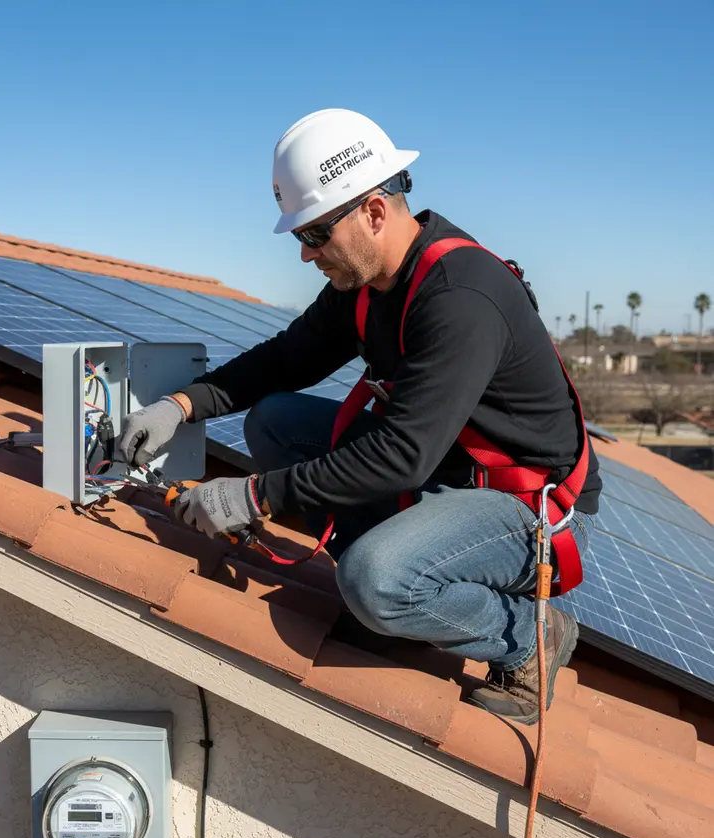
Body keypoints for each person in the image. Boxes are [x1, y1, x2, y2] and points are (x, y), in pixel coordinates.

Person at [117, 108, 601, 724]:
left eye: (315, 235)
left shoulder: (459, 297)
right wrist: (180, 405)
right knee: (274, 422)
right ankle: (394, 599)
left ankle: (530, 636)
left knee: (374, 580)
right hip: (449, 474)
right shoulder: (369, 283)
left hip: (529, 507)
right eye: (301, 237)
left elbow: (403, 454)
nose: (306, 254)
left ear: (373, 211)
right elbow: (286, 359)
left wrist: (254, 497)